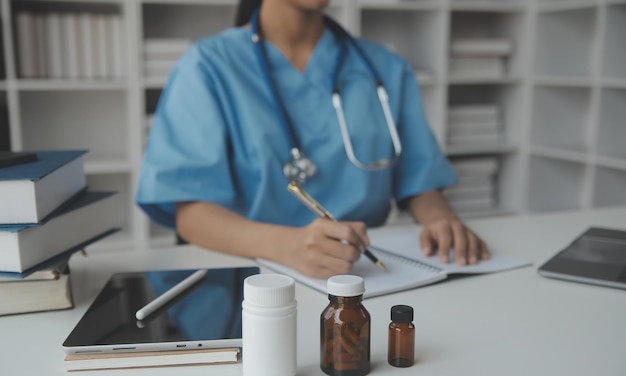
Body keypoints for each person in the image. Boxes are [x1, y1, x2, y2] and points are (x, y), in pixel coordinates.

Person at [136, 0, 490, 279]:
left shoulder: (384, 66)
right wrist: (288, 246)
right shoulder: (208, 66)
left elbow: (419, 183)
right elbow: (192, 213)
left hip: (363, 273)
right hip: (251, 279)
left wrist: (440, 222)